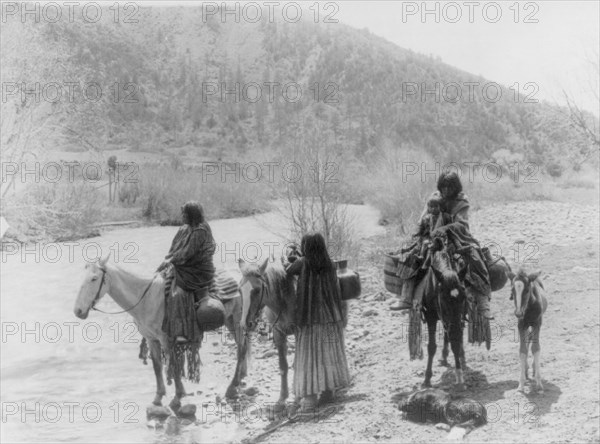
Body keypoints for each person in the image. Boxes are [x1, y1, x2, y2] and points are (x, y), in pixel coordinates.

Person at [389, 172, 494, 320]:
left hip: (456, 238)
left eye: (450, 187)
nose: (446, 190)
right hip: (431, 236)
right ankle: (406, 297)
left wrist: (445, 228)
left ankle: (482, 303)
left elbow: (462, 224)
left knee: (475, 258)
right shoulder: (434, 197)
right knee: (411, 256)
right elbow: (422, 218)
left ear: (455, 187)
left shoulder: (461, 202)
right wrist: (426, 227)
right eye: (443, 187)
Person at [284, 233, 351, 412]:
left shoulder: (303, 262)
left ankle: (310, 395)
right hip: (331, 317)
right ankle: (329, 390)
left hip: (310, 318)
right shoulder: (329, 263)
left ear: (306, 247)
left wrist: (291, 256)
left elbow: (288, 271)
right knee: (329, 353)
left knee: (310, 355)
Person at [157, 201, 217, 344]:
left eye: (184, 214)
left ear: (192, 215)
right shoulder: (185, 228)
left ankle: (182, 332)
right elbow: (175, 248)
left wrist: (171, 261)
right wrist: (169, 258)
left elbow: (187, 253)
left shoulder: (200, 230)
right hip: (186, 265)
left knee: (177, 294)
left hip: (198, 270)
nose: (182, 216)